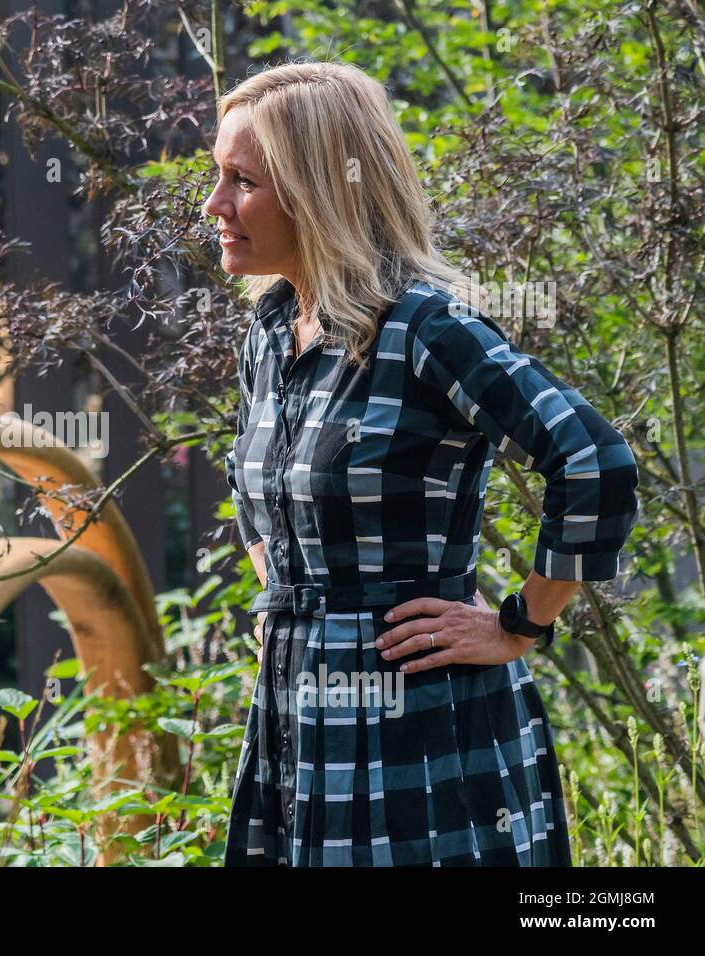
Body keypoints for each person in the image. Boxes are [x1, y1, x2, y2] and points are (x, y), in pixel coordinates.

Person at [205, 62, 639, 866]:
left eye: (242, 181)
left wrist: (522, 623)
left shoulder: (426, 327)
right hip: (296, 721)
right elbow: (252, 486)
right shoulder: (272, 328)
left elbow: (593, 460)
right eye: (217, 176)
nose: (215, 206)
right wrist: (283, 604)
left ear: (317, 192)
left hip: (418, 719)